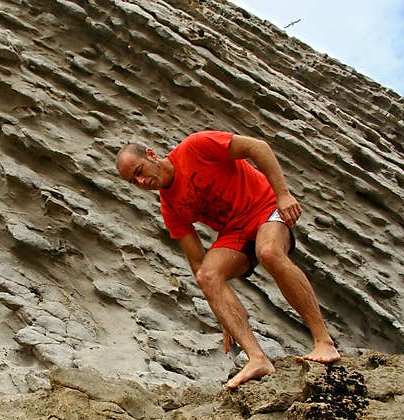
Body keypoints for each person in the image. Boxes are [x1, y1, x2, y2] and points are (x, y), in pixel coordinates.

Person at [115, 131, 340, 389]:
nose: (142, 181)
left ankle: (324, 341)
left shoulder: (195, 147)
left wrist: (283, 195)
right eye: (134, 181)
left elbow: (258, 147)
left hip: (266, 206)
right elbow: (199, 264)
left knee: (268, 252)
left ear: (152, 155)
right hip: (236, 232)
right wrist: (223, 310)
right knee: (207, 276)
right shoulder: (170, 208)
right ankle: (258, 359)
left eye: (140, 170)